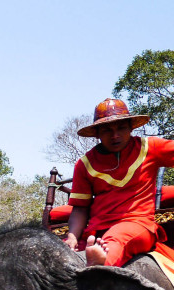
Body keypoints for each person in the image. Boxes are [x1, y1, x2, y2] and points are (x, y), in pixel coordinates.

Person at [64, 98, 174, 266]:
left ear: (131, 127)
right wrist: (71, 237)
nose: (115, 135)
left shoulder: (150, 147)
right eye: (107, 130)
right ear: (97, 133)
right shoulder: (84, 163)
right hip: (95, 230)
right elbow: (80, 207)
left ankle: (100, 266)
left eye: (121, 128)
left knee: (117, 238)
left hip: (137, 225)